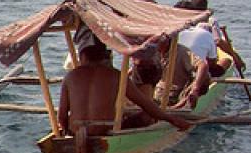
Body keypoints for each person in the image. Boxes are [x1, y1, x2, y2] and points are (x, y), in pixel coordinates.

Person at [58, 32, 191, 136]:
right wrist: (172, 119)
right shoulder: (115, 75)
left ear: (83, 57)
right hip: (104, 128)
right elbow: (146, 105)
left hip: (76, 130)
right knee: (146, 116)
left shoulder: (70, 76)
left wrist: (66, 131)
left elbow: (62, 116)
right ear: (105, 56)